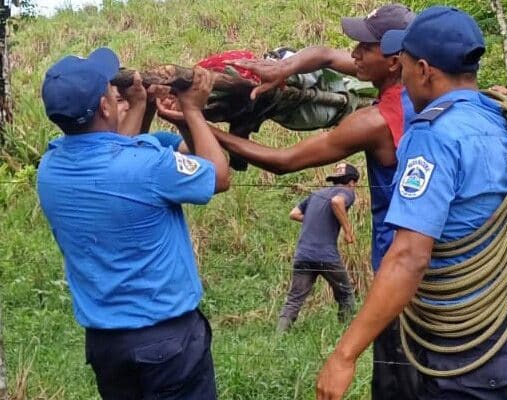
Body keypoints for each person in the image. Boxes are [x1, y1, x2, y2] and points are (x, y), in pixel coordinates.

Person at [158, 4, 422, 398]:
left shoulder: (378, 120)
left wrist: (200, 125)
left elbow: (284, 162)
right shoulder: (426, 86)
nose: (352, 55)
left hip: (401, 272)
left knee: (402, 382)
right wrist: (287, 67)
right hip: (431, 267)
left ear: (394, 59)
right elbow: (326, 55)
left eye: (363, 48)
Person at [315, 7, 507, 400]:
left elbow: (410, 256)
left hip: (463, 357)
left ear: (423, 69)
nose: (401, 73)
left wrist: (344, 355)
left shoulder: (433, 136)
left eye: (404, 62)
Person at [36, 47, 230, 399]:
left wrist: (142, 105)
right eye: (111, 89)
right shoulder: (148, 166)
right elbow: (218, 176)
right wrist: (192, 110)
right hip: (168, 342)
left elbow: (113, 154)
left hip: (107, 346)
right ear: (106, 107)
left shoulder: (50, 169)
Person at [278, 162, 360, 332]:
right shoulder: (347, 192)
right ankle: (345, 333)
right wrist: (348, 231)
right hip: (326, 256)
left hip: (303, 255)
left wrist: (314, 219)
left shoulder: (317, 194)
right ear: (352, 182)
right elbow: (337, 202)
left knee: (294, 300)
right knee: (345, 294)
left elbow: (294, 214)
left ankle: (279, 338)